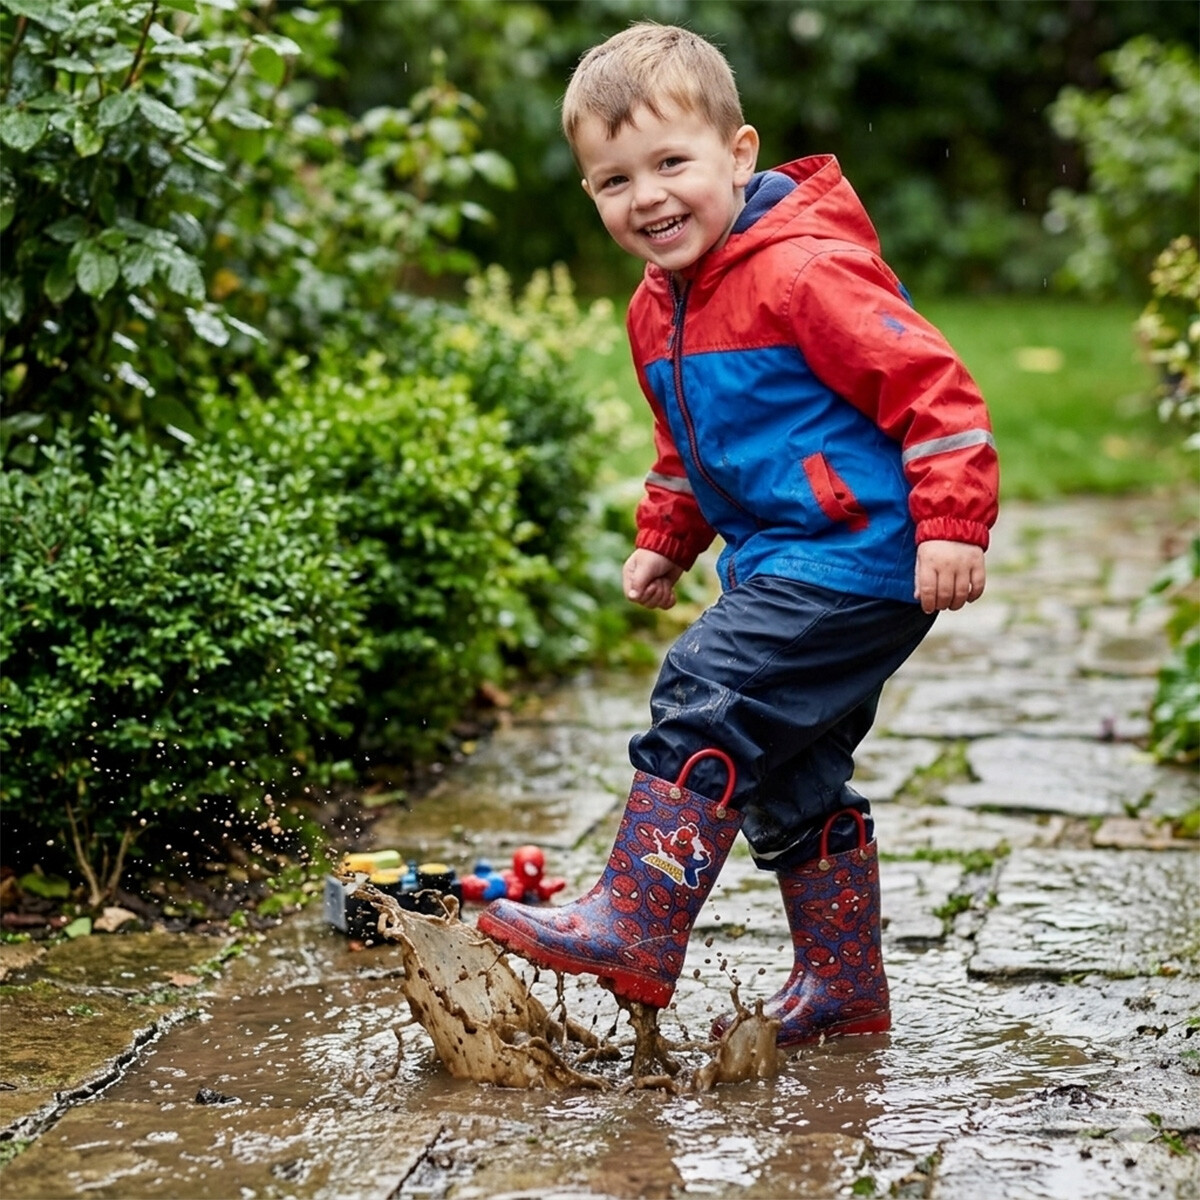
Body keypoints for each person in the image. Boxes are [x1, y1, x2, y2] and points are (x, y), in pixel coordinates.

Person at [478, 22, 998, 1047]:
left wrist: (952, 521)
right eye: (615, 180)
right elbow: (688, 443)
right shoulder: (656, 308)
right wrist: (666, 536)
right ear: (590, 192)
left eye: (672, 163)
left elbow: (935, 388)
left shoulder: (805, 272)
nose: (648, 197)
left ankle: (635, 920)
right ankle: (844, 991)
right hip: (782, 563)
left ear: (739, 153)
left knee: (705, 691)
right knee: (789, 774)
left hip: (859, 554)